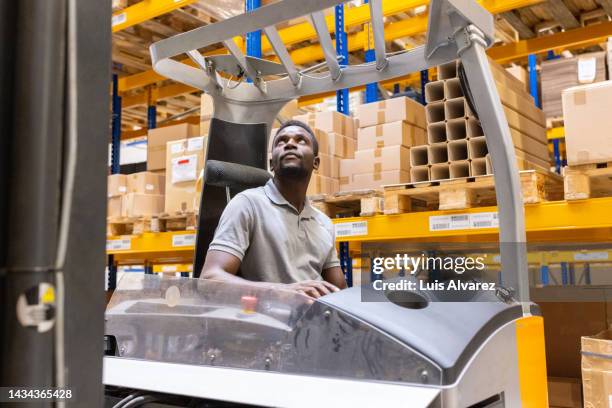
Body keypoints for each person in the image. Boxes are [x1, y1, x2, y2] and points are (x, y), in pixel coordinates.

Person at [200, 120, 347, 298]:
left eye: (301, 140)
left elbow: (339, 291)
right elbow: (210, 280)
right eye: (281, 141)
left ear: (316, 163)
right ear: (271, 163)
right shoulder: (247, 205)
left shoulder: (324, 223)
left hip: (312, 320)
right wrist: (283, 291)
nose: (290, 144)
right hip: (266, 320)